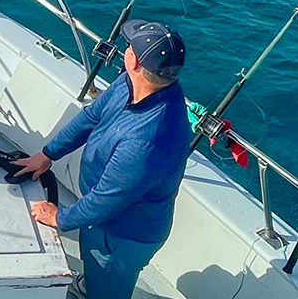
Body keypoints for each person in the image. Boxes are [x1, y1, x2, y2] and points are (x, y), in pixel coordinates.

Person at [12, 20, 189, 299]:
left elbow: (105, 201)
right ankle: (92, 282)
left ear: (133, 61)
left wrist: (60, 217)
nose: (125, 49)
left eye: (128, 46)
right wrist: (47, 155)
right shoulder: (130, 83)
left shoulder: (147, 142)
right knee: (97, 275)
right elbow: (91, 117)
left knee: (107, 291)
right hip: (104, 222)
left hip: (120, 237)